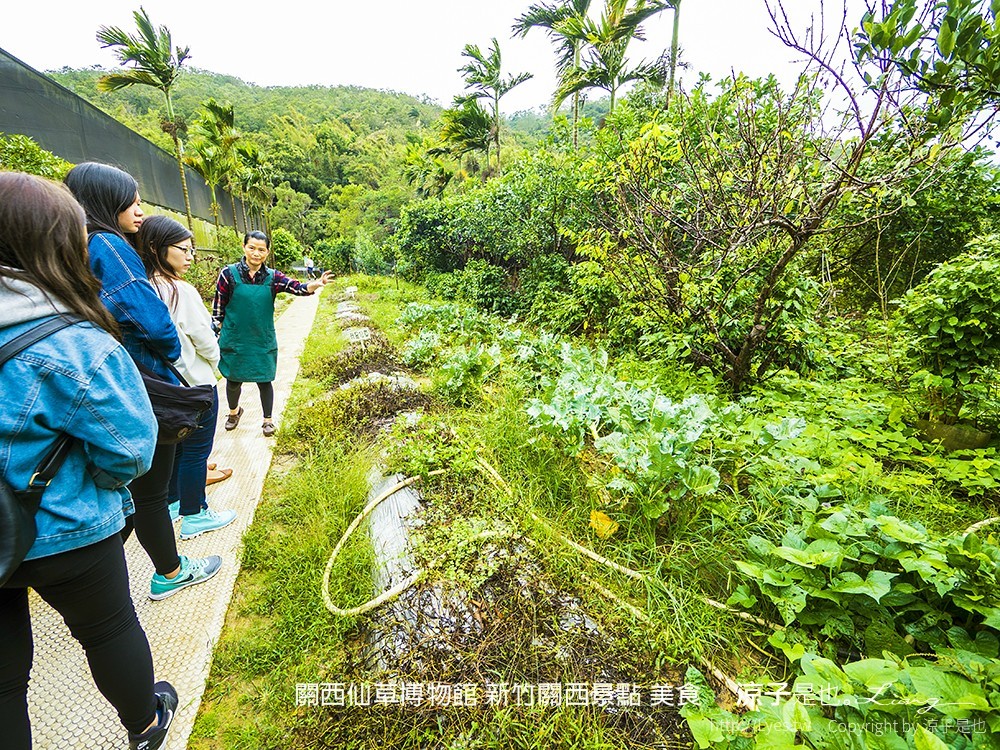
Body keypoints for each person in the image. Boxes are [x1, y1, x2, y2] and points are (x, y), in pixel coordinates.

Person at [0, 172, 177, 750]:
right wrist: (98, 483)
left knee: (3, 681)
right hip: (68, 528)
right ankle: (145, 725)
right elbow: (131, 447)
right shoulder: (74, 341)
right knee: (107, 630)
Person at [64, 162, 221, 599]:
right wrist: (169, 352)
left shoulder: (73, 245)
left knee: (133, 491)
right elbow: (156, 325)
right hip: (141, 383)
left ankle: (110, 578)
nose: (139, 208)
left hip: (103, 381)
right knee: (147, 493)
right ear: (104, 202)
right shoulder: (109, 246)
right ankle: (168, 574)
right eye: (130, 200)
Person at [135, 215, 237, 540]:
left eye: (192, 249)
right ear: (157, 248)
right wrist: (221, 362)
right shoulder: (181, 289)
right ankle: (196, 514)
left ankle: (175, 502)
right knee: (196, 450)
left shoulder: (140, 287)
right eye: (184, 249)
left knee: (175, 447)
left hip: (163, 385)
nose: (190, 256)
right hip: (196, 384)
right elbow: (204, 337)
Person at [214, 231, 333, 436]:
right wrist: (214, 333)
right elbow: (218, 309)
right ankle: (234, 413)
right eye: (252, 248)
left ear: (267, 252)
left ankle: (267, 420)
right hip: (236, 339)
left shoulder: (273, 277)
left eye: (261, 249)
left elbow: (298, 288)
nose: (256, 253)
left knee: (264, 379)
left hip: (262, 338)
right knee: (233, 380)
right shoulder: (228, 274)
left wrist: (317, 284)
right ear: (244, 248)